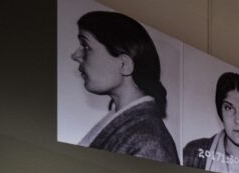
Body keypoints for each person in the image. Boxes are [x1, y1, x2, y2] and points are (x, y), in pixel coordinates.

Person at [71, 11, 179, 164]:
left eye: (85, 46)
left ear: (124, 65)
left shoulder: (149, 142)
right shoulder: (135, 129)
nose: (75, 55)